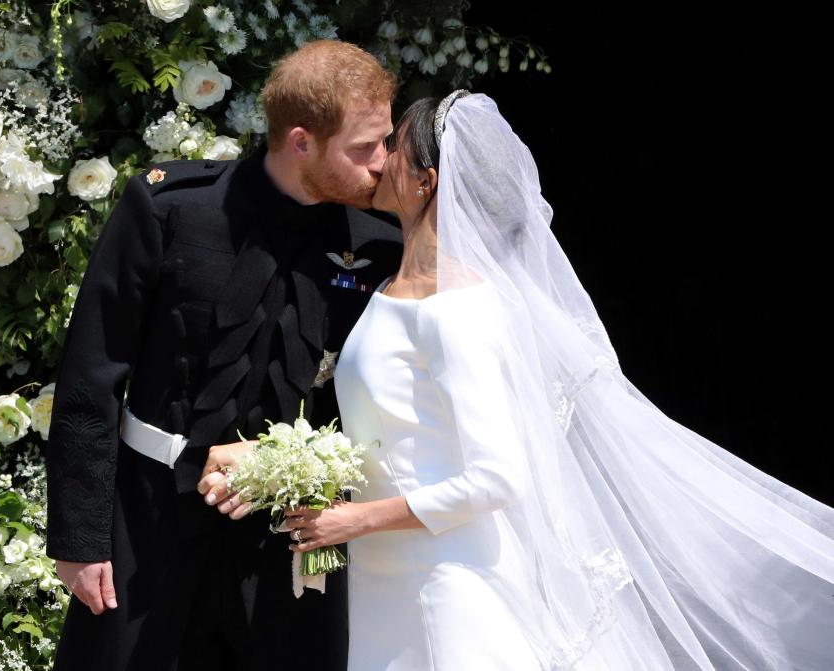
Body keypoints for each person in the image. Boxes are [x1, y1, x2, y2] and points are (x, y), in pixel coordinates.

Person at [224, 91, 834, 670]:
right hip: (391, 582)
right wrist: (274, 462)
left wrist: (357, 520)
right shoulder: (393, 290)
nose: (379, 160)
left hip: (451, 587)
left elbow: (496, 477)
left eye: (395, 146)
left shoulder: (457, 306)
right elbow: (397, 435)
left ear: (425, 181)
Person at [44, 40, 402, 671]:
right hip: (149, 522)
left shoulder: (379, 246)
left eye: (385, 141)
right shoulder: (170, 208)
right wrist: (79, 537)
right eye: (362, 148)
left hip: (292, 538)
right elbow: (90, 377)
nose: (383, 164)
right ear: (300, 141)